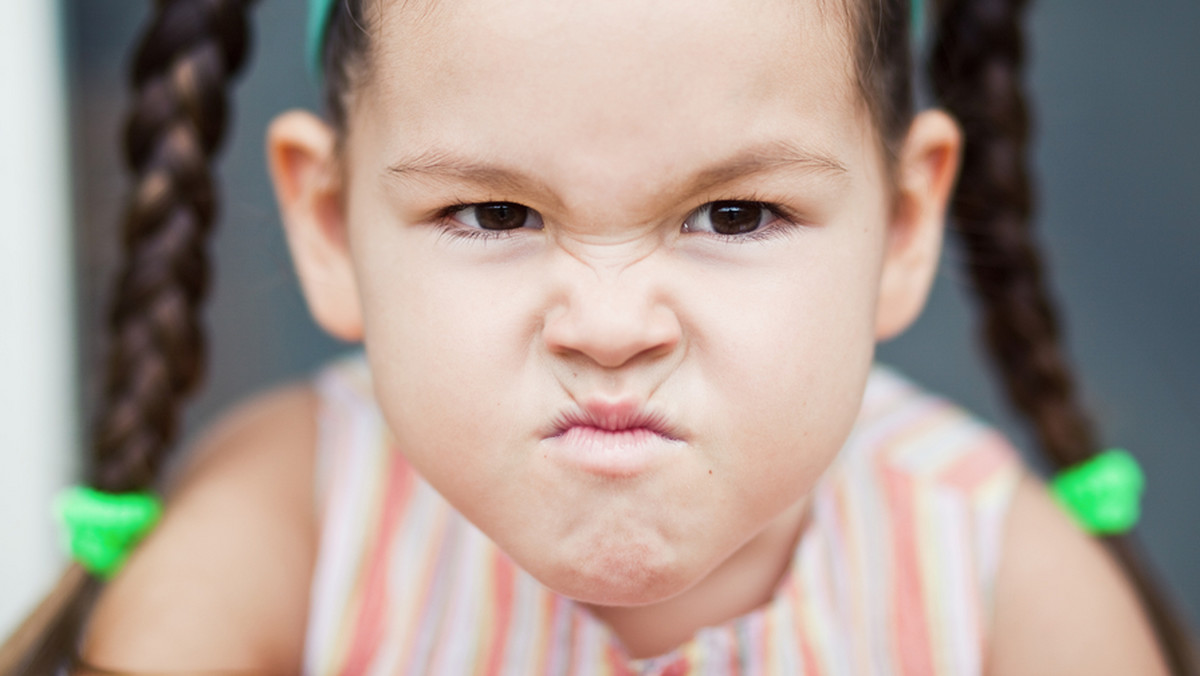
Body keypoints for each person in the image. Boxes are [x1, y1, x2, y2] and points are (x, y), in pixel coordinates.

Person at [2, 0, 1196, 673]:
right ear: (330, 223)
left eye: (736, 213)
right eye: (495, 212)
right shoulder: (293, 522)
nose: (613, 327)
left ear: (901, 223)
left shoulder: (1003, 592)